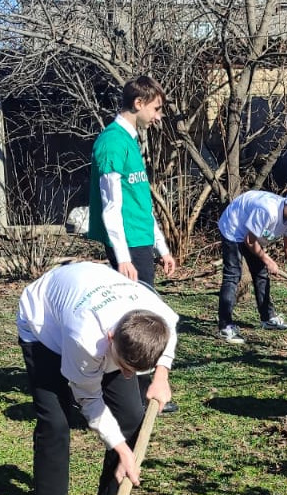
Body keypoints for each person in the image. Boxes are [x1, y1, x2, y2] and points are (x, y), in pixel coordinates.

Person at [16, 261, 179, 495]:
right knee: (56, 424)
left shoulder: (156, 314)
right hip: (43, 325)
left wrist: (162, 375)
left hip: (98, 300)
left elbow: (169, 333)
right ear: (110, 337)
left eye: (135, 371)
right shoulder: (85, 337)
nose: (129, 376)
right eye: (124, 366)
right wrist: (121, 449)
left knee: (132, 414)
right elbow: (89, 400)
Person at [88, 75, 178, 412]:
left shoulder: (130, 141)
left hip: (142, 242)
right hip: (128, 246)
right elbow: (111, 208)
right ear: (138, 104)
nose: (159, 117)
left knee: (146, 313)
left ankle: (140, 384)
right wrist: (123, 257)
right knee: (140, 317)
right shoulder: (112, 143)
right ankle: (138, 390)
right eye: (156, 109)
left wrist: (162, 246)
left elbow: (140, 203)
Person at [214, 188, 287, 344]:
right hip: (234, 226)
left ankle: (268, 318)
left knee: (261, 274)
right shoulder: (267, 211)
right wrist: (268, 259)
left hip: (250, 233)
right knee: (233, 275)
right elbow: (249, 241)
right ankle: (225, 326)